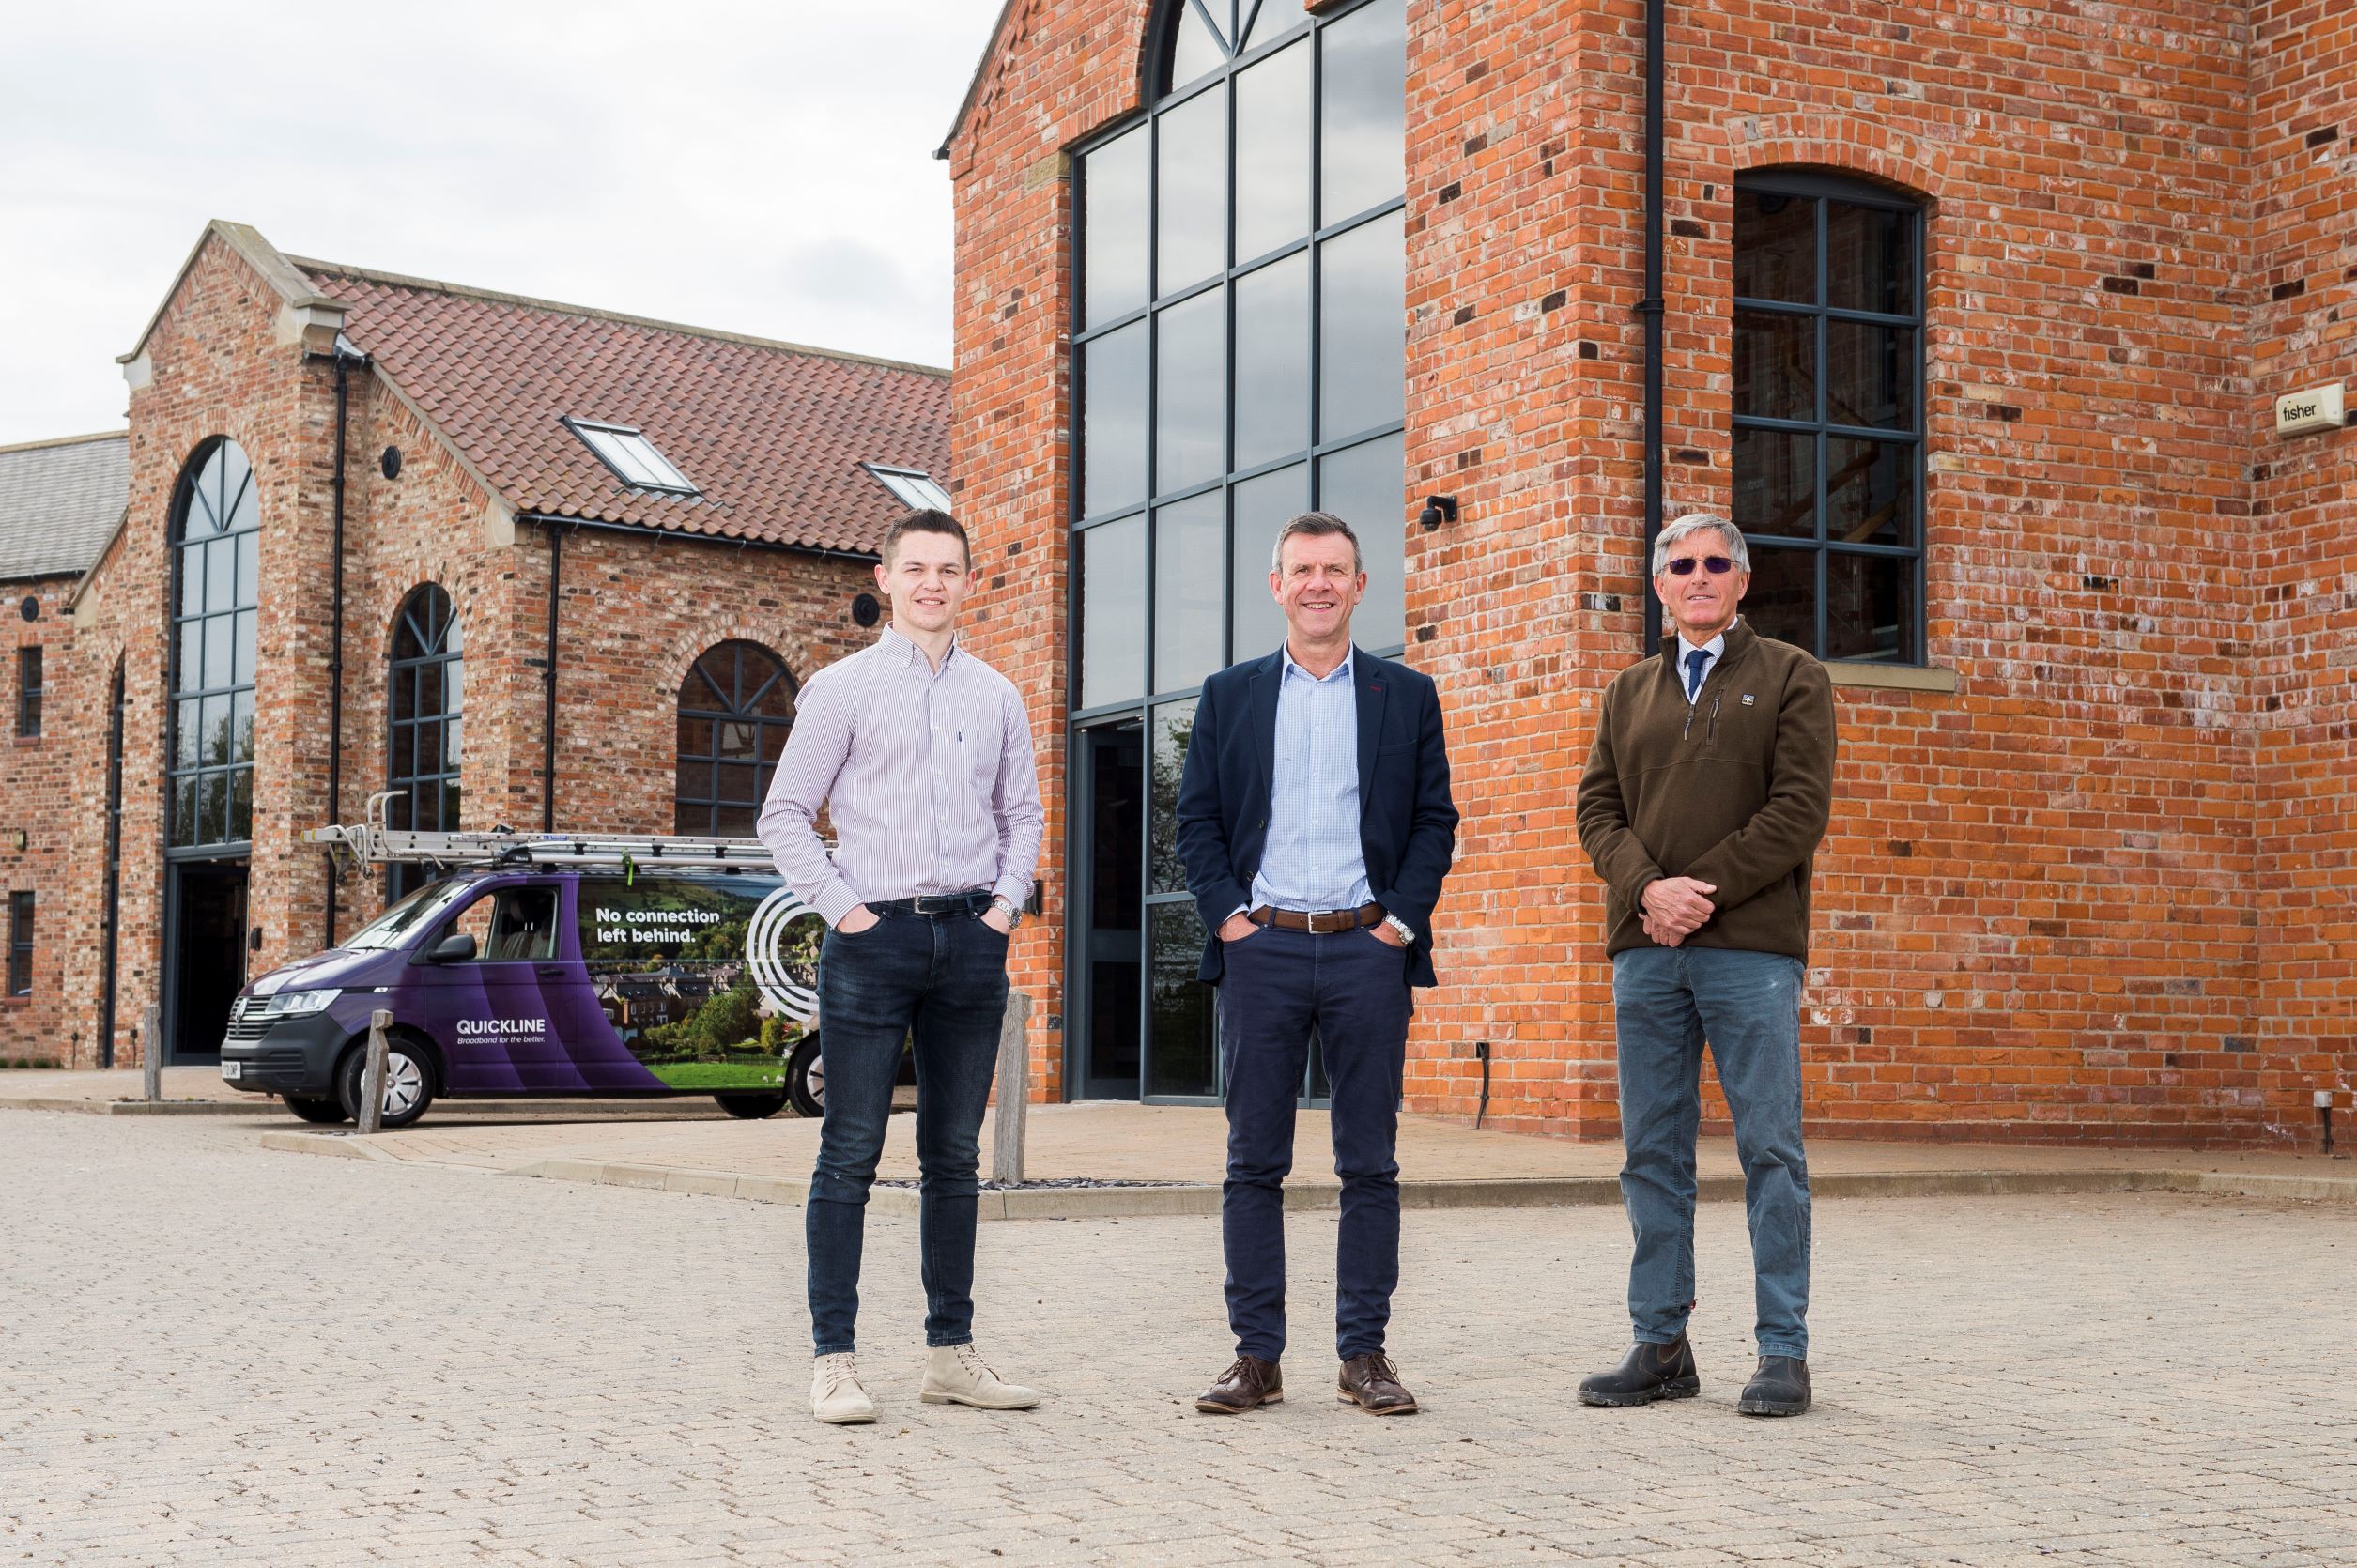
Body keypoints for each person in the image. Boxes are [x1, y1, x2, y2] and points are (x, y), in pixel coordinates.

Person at [757, 508, 1045, 1426]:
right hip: (871, 940)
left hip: (970, 940)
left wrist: (1001, 910)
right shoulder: (840, 689)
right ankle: (834, 1362)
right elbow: (784, 814)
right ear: (884, 579)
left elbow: (1023, 816)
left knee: (953, 1155)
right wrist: (845, 909)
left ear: (969, 583)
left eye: (948, 569)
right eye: (915, 568)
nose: (932, 583)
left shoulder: (996, 696)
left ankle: (950, 1354)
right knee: (848, 1151)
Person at [1175, 511, 1458, 1418]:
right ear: (1277, 586)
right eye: (1302, 570)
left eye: (1335, 569)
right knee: (1252, 1162)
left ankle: (1363, 1355)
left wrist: (1399, 925)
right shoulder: (1231, 695)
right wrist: (1228, 919)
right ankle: (1255, 1358)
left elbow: (1435, 821)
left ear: (1360, 586)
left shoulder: (1405, 695)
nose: (1318, 585)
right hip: (1261, 950)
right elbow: (1197, 820)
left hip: (1365, 951)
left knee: (1369, 1163)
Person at [1572, 512, 1837, 1418]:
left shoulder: (1792, 676)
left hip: (1749, 954)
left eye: (1716, 563)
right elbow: (1596, 811)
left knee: (1771, 1150)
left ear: (1742, 581)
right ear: (1659, 586)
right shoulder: (1627, 691)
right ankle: (1660, 1345)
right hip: (1647, 955)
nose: (1699, 576)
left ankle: (1783, 1352)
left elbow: (1798, 810)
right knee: (1651, 1153)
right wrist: (1648, 890)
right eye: (1681, 565)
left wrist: (1700, 893)